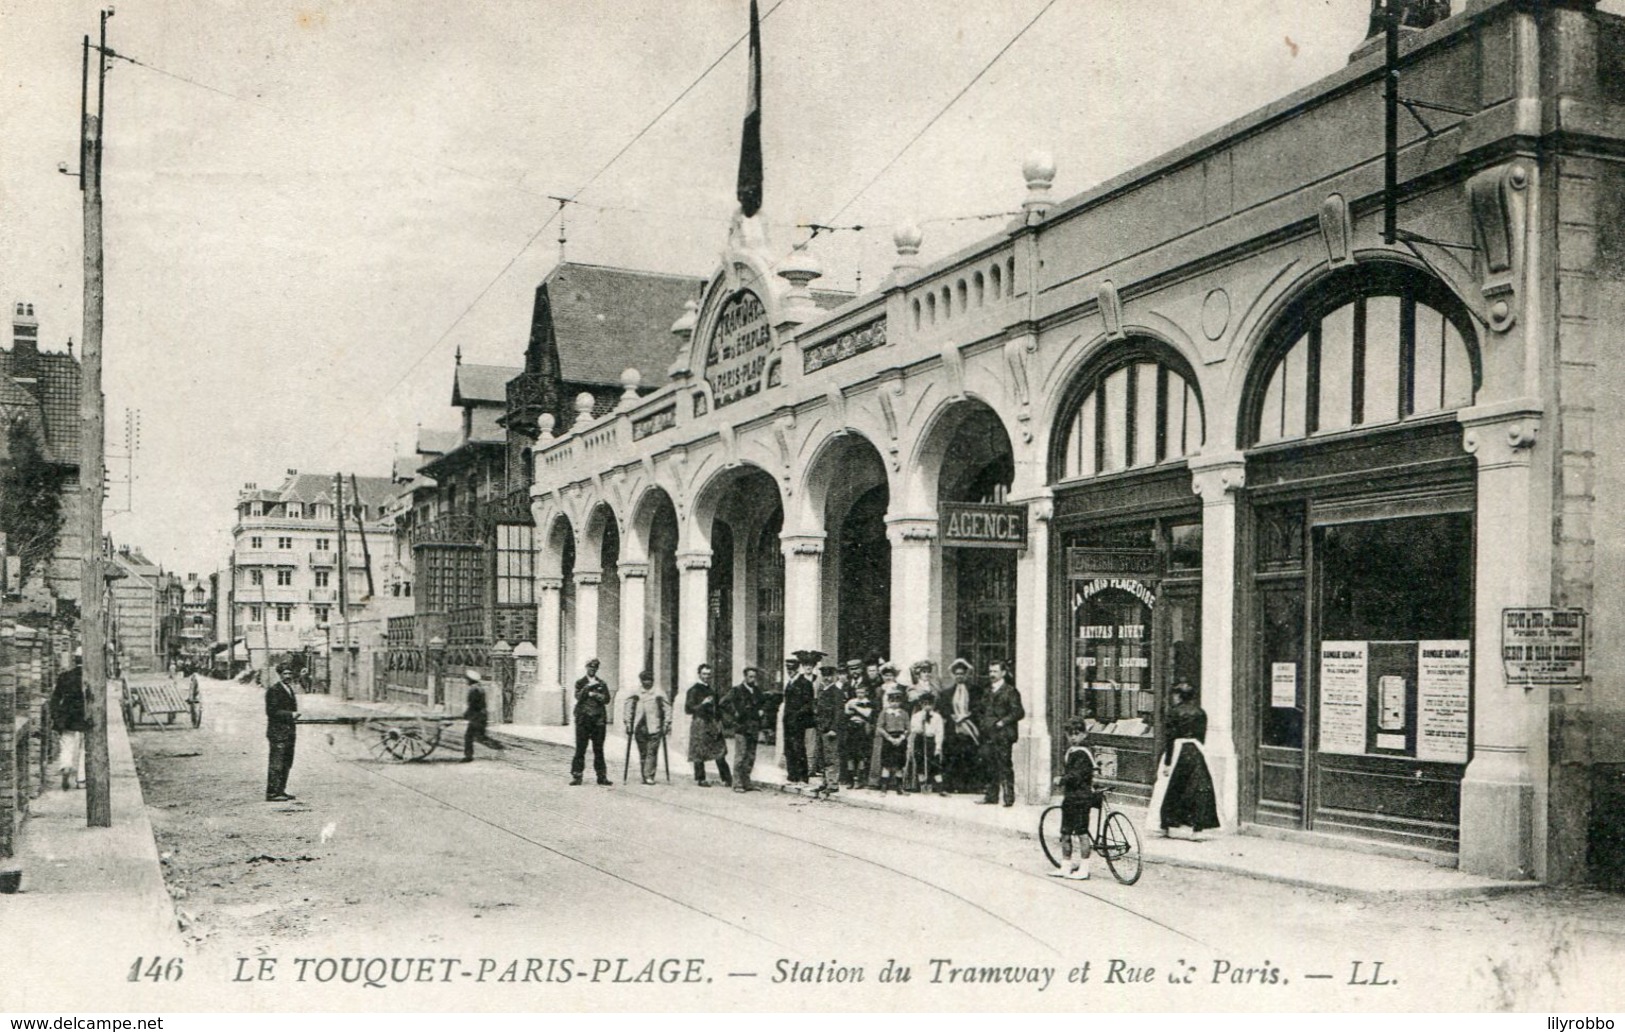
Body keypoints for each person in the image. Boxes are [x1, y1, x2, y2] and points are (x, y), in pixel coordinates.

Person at [1149, 682, 1221, 838]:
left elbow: (1169, 738)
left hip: (1178, 751)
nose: (1173, 698)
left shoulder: (1173, 713)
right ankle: (1197, 829)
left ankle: (1165, 825)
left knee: (1169, 788)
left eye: (1175, 695)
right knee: (1197, 789)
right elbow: (1202, 737)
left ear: (1179, 696)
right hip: (1196, 751)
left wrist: (1167, 763)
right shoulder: (1201, 713)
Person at [1054, 716, 1098, 879]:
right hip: (1071, 797)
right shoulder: (1072, 752)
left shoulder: (1083, 753)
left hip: (1081, 797)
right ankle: (1066, 865)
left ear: (1084, 735)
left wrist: (1062, 779)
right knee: (1065, 832)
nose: (1073, 737)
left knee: (1081, 832)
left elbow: (1077, 775)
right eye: (1070, 734)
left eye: (1077, 734)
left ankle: (1084, 868)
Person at [977, 659, 1024, 806]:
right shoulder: (987, 691)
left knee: (1004, 765)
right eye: (990, 671)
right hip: (988, 733)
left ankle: (1008, 798)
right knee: (989, 764)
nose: (992, 674)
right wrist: (982, 723)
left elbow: (1018, 712)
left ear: (1003, 673)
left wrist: (1002, 722)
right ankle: (991, 796)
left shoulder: (1010, 691)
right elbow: (981, 710)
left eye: (995, 671)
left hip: (1003, 734)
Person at [684, 663, 732, 787]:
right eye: (704, 674)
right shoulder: (693, 690)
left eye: (709, 674)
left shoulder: (712, 690)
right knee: (699, 751)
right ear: (699, 674)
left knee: (719, 750)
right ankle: (701, 778)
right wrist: (703, 704)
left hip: (713, 722)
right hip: (700, 722)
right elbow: (688, 709)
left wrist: (720, 721)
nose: (706, 677)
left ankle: (727, 778)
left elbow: (717, 708)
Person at [722, 666, 765, 792]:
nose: (753, 679)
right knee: (740, 756)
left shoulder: (757, 691)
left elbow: (763, 703)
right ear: (745, 677)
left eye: (754, 677)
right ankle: (737, 784)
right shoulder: (737, 690)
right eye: (750, 677)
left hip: (754, 727)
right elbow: (723, 703)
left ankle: (747, 782)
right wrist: (735, 713)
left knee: (751, 756)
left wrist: (762, 711)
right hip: (741, 727)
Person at [49, 647, 88, 791]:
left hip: (67, 717)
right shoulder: (90, 677)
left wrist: (56, 715)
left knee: (67, 744)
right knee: (85, 748)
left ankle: (66, 766)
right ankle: (81, 779)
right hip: (85, 716)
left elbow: (55, 698)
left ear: (75, 659)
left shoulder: (65, 676)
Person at [623, 671, 671, 785]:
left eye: (649, 680)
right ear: (641, 681)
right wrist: (628, 723)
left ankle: (649, 775)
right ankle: (645, 774)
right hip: (640, 727)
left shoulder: (658, 693)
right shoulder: (636, 693)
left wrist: (667, 723)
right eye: (645, 680)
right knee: (643, 752)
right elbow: (628, 708)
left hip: (655, 726)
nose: (647, 682)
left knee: (652, 751)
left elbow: (667, 708)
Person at [570, 658, 613, 785]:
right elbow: (578, 697)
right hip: (583, 720)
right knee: (580, 749)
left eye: (595, 668)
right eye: (590, 667)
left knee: (598, 749)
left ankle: (601, 776)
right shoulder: (580, 682)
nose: (592, 669)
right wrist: (588, 690)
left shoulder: (602, 683)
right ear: (586, 668)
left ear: (597, 669)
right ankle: (577, 776)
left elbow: (607, 699)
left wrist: (596, 695)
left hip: (598, 721)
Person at [942, 658, 981, 793]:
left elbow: (978, 708)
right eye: (957, 674)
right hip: (953, 728)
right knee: (953, 755)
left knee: (970, 755)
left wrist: (967, 716)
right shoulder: (947, 692)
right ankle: (953, 785)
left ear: (966, 674)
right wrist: (952, 716)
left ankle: (970, 786)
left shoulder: (975, 691)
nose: (959, 676)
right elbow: (944, 709)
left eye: (962, 674)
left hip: (970, 727)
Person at [781, 650, 820, 783]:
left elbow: (808, 704)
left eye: (792, 669)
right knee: (789, 747)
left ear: (797, 669)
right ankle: (792, 775)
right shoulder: (790, 683)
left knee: (798, 747)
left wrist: (797, 715)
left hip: (798, 721)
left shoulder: (804, 683)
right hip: (788, 720)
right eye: (788, 669)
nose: (789, 671)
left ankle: (803, 776)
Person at [264, 663, 300, 801]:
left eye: (290, 673)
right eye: (285, 673)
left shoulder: (289, 689)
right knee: (276, 763)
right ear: (279, 675)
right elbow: (272, 712)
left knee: (286, 762)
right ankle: (272, 793)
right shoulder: (274, 690)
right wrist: (291, 715)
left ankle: (281, 791)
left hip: (289, 732)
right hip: (277, 733)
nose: (288, 676)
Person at [867, 662, 904, 787]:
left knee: (896, 751)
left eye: (890, 675)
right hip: (883, 720)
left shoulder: (900, 688)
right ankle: (877, 781)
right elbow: (875, 707)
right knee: (880, 750)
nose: (888, 677)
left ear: (894, 676)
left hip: (897, 721)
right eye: (885, 675)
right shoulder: (879, 689)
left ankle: (895, 782)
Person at [813, 662, 846, 793]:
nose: (826, 678)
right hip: (821, 728)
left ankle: (833, 784)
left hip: (830, 730)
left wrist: (834, 729)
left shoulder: (836, 692)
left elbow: (838, 713)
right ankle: (825, 782)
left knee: (831, 757)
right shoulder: (822, 691)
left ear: (834, 676)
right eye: (824, 675)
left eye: (829, 676)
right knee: (822, 757)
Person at [461, 670, 508, 762]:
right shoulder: (479, 688)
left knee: (471, 736)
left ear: (470, 680)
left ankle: (469, 756)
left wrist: (467, 714)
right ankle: (499, 747)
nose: (466, 681)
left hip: (477, 717)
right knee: (479, 736)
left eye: (467, 679)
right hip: (481, 716)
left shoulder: (474, 690)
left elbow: (473, 705)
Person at [907, 692, 945, 794]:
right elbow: (914, 729)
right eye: (925, 704)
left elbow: (939, 732)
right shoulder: (916, 716)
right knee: (920, 762)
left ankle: (940, 787)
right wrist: (921, 724)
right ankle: (922, 785)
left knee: (935, 764)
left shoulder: (937, 717)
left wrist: (938, 747)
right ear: (921, 704)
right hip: (920, 740)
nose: (927, 706)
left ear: (933, 705)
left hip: (931, 740)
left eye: (930, 704)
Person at [842, 675, 875, 788]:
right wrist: (855, 709)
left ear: (866, 692)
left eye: (862, 692)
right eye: (858, 692)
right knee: (850, 754)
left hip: (862, 729)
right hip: (851, 727)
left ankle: (859, 779)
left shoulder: (867, 702)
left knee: (861, 754)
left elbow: (868, 713)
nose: (859, 694)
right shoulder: (852, 701)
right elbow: (846, 711)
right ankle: (851, 779)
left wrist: (856, 709)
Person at [876, 686, 910, 795]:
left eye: (897, 701)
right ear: (889, 701)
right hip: (888, 738)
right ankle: (884, 788)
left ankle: (899, 788)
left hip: (900, 739)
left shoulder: (904, 713)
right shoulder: (884, 713)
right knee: (887, 764)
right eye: (892, 701)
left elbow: (908, 728)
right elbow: (879, 727)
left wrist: (901, 738)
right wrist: (889, 738)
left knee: (899, 764)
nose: (894, 703)